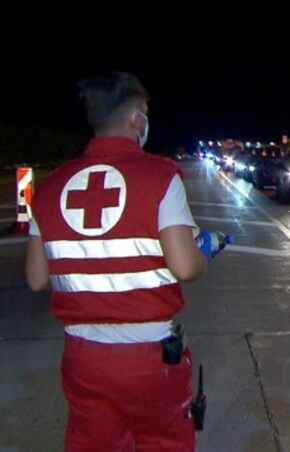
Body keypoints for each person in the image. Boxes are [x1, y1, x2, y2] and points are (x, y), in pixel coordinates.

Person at [25, 72, 217, 451]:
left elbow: (35, 278)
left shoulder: (50, 188)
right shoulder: (159, 177)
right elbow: (185, 267)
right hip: (149, 359)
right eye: (144, 112)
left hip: (83, 360)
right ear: (135, 119)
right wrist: (203, 254)